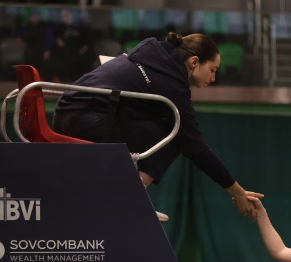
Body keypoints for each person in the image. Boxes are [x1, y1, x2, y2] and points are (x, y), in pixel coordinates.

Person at [53, 32, 262, 221]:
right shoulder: (171, 83)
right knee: (176, 133)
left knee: (170, 126)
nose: (213, 78)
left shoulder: (155, 54)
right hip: (83, 119)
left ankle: (126, 192)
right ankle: (131, 196)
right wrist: (237, 192)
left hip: (68, 112)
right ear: (194, 62)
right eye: (212, 70)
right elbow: (196, 147)